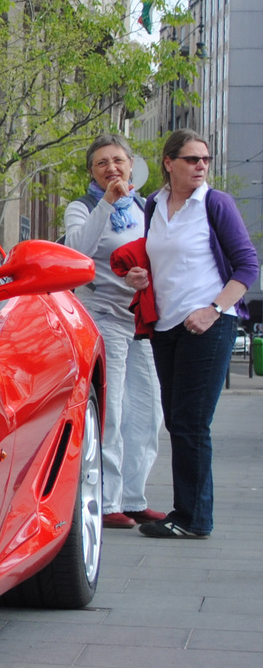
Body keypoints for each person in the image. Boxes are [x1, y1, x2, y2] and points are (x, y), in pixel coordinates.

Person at [122, 130, 258, 539]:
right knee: (179, 420)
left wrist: (214, 309)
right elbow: (155, 261)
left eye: (205, 160)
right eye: (191, 159)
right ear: (168, 163)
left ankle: (193, 518)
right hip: (166, 327)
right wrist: (138, 277)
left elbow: (247, 267)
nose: (201, 166)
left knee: (191, 422)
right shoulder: (154, 205)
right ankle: (188, 513)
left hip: (209, 326)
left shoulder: (215, 203)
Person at [62, 135, 163, 529]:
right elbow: (77, 250)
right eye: (101, 163)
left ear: (132, 164)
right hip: (103, 317)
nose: (111, 169)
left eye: (118, 161)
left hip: (142, 320)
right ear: (92, 172)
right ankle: (107, 501)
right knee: (112, 412)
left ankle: (134, 496)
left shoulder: (146, 209)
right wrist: (106, 203)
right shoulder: (82, 207)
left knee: (148, 413)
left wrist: (145, 275)